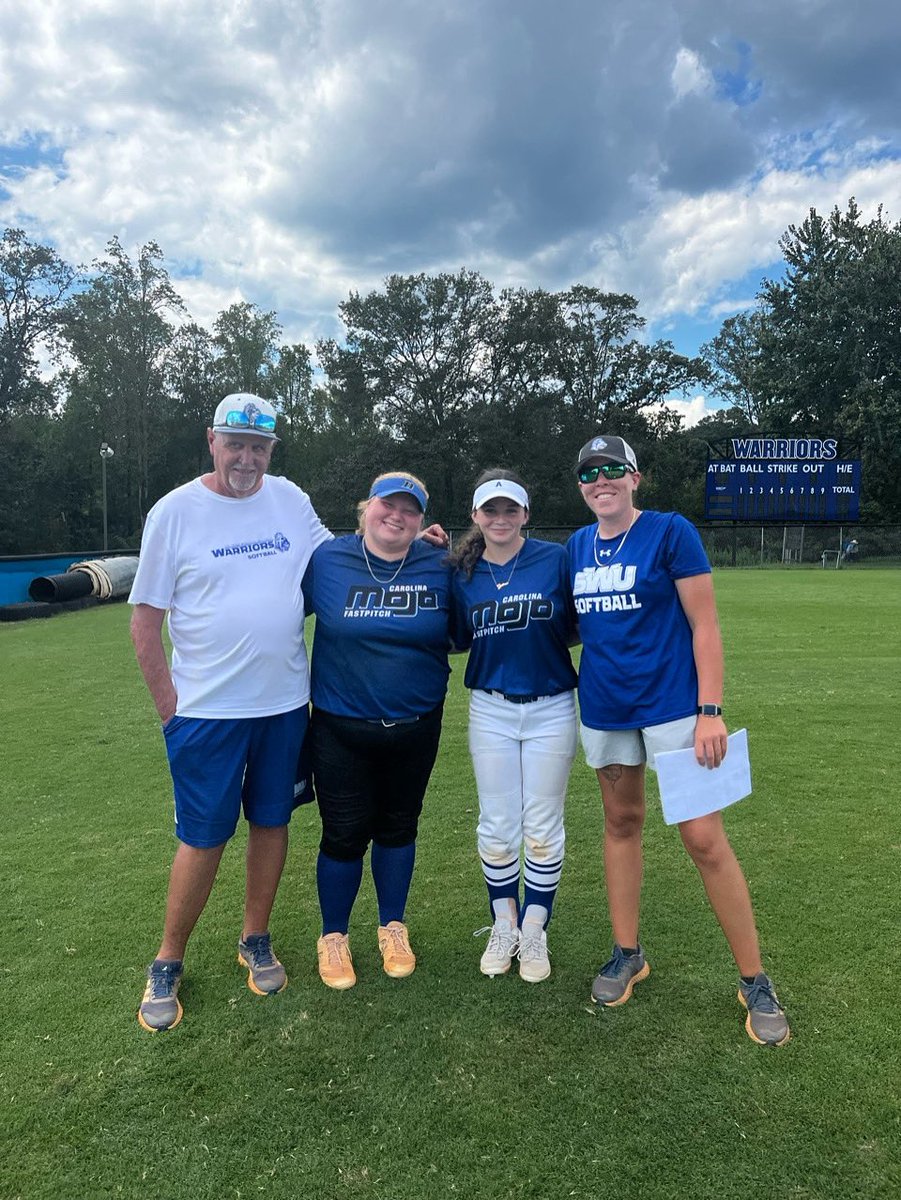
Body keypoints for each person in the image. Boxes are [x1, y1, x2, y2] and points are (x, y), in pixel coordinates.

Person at [569, 434, 790, 1046]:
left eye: (614, 468)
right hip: (606, 710)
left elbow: (705, 623)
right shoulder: (578, 546)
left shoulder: (669, 531)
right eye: (590, 473)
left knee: (702, 837)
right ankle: (627, 952)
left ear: (635, 477)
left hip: (673, 709)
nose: (602, 479)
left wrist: (710, 709)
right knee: (621, 823)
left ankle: (755, 980)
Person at [129, 393, 331, 1032]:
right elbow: (144, 621)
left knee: (272, 823)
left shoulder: (291, 500)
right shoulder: (175, 512)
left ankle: (255, 937)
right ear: (211, 442)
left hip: (284, 708)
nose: (248, 458)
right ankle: (168, 959)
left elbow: (339, 563)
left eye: (260, 447)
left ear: (271, 450)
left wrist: (412, 539)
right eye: (236, 444)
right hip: (207, 715)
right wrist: (172, 713)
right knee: (204, 835)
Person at [302, 472, 456, 990]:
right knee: (343, 833)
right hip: (341, 725)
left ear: (422, 520)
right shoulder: (327, 560)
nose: (397, 515)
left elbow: (469, 621)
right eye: (387, 505)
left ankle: (393, 926)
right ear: (366, 508)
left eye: (409, 509)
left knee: (399, 825)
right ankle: (333, 936)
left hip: (416, 724)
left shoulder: (440, 563)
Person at [450, 469, 578, 982]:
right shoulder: (462, 571)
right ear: (475, 516)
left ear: (526, 514)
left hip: (551, 705)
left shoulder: (556, 558)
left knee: (542, 826)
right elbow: (457, 637)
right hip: (491, 706)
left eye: (510, 510)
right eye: (490, 510)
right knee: (498, 825)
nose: (500, 519)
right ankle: (503, 923)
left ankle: (534, 928)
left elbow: (576, 623)